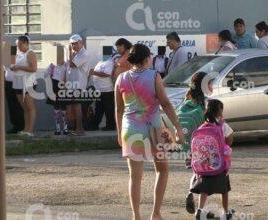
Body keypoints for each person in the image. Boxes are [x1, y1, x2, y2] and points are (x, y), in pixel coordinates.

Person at [115, 44, 185, 220]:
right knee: (162, 170)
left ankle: (136, 216)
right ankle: (155, 213)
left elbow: (118, 109)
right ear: (147, 59)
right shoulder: (154, 76)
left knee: (135, 177)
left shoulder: (121, 78)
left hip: (130, 130)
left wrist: (118, 133)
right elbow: (166, 104)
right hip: (155, 131)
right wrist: (177, 127)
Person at [190, 99, 234, 220]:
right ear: (220, 112)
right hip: (220, 166)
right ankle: (226, 213)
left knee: (204, 189)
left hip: (204, 165)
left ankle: (200, 210)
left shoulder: (202, 127)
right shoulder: (222, 125)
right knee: (224, 189)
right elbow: (230, 139)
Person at [10, 34, 37, 137]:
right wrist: (12, 67)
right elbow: (13, 66)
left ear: (26, 43)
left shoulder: (30, 53)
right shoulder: (18, 54)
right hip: (18, 83)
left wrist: (19, 67)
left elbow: (33, 68)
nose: (18, 47)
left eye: (20, 45)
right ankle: (25, 129)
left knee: (30, 107)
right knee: (24, 107)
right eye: (17, 45)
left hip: (28, 83)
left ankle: (30, 131)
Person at [66, 34, 89, 136]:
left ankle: (80, 129)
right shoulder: (75, 53)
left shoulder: (83, 53)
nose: (74, 46)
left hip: (79, 85)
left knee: (77, 106)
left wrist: (69, 51)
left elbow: (72, 65)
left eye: (76, 43)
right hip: (72, 84)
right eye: (72, 44)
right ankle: (76, 128)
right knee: (73, 107)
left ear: (82, 43)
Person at [89, 54, 119, 131]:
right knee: (98, 109)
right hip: (99, 90)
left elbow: (107, 74)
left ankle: (111, 126)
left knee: (109, 110)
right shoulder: (100, 62)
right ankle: (95, 125)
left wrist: (94, 72)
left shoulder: (109, 62)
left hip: (107, 90)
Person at [44, 61, 69, 135]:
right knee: (56, 107)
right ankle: (58, 129)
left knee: (64, 107)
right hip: (55, 87)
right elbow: (45, 74)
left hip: (63, 87)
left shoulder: (66, 65)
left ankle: (65, 128)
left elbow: (68, 75)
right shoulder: (52, 66)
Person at [4, 66, 24, 134]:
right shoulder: (6, 57)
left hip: (19, 81)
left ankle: (23, 127)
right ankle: (16, 126)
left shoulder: (21, 56)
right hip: (8, 82)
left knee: (20, 105)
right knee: (11, 105)